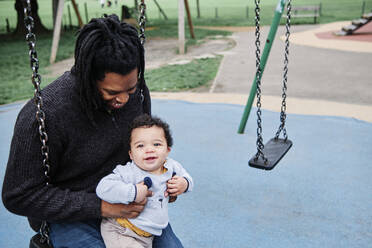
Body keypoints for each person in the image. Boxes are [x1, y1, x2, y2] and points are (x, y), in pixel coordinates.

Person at [2, 14, 183, 248]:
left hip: (130, 196)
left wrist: (163, 179)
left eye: (131, 88)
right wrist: (102, 206)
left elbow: (142, 145)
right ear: (87, 77)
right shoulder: (43, 115)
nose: (124, 99)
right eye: (111, 92)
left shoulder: (135, 94)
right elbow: (19, 195)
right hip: (72, 213)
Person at [96, 114, 193, 248]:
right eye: (140, 146)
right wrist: (133, 191)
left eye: (157, 144)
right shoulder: (130, 172)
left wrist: (184, 184)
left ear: (167, 150)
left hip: (149, 234)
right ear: (131, 154)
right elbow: (103, 188)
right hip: (122, 230)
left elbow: (188, 178)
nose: (149, 149)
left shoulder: (171, 166)